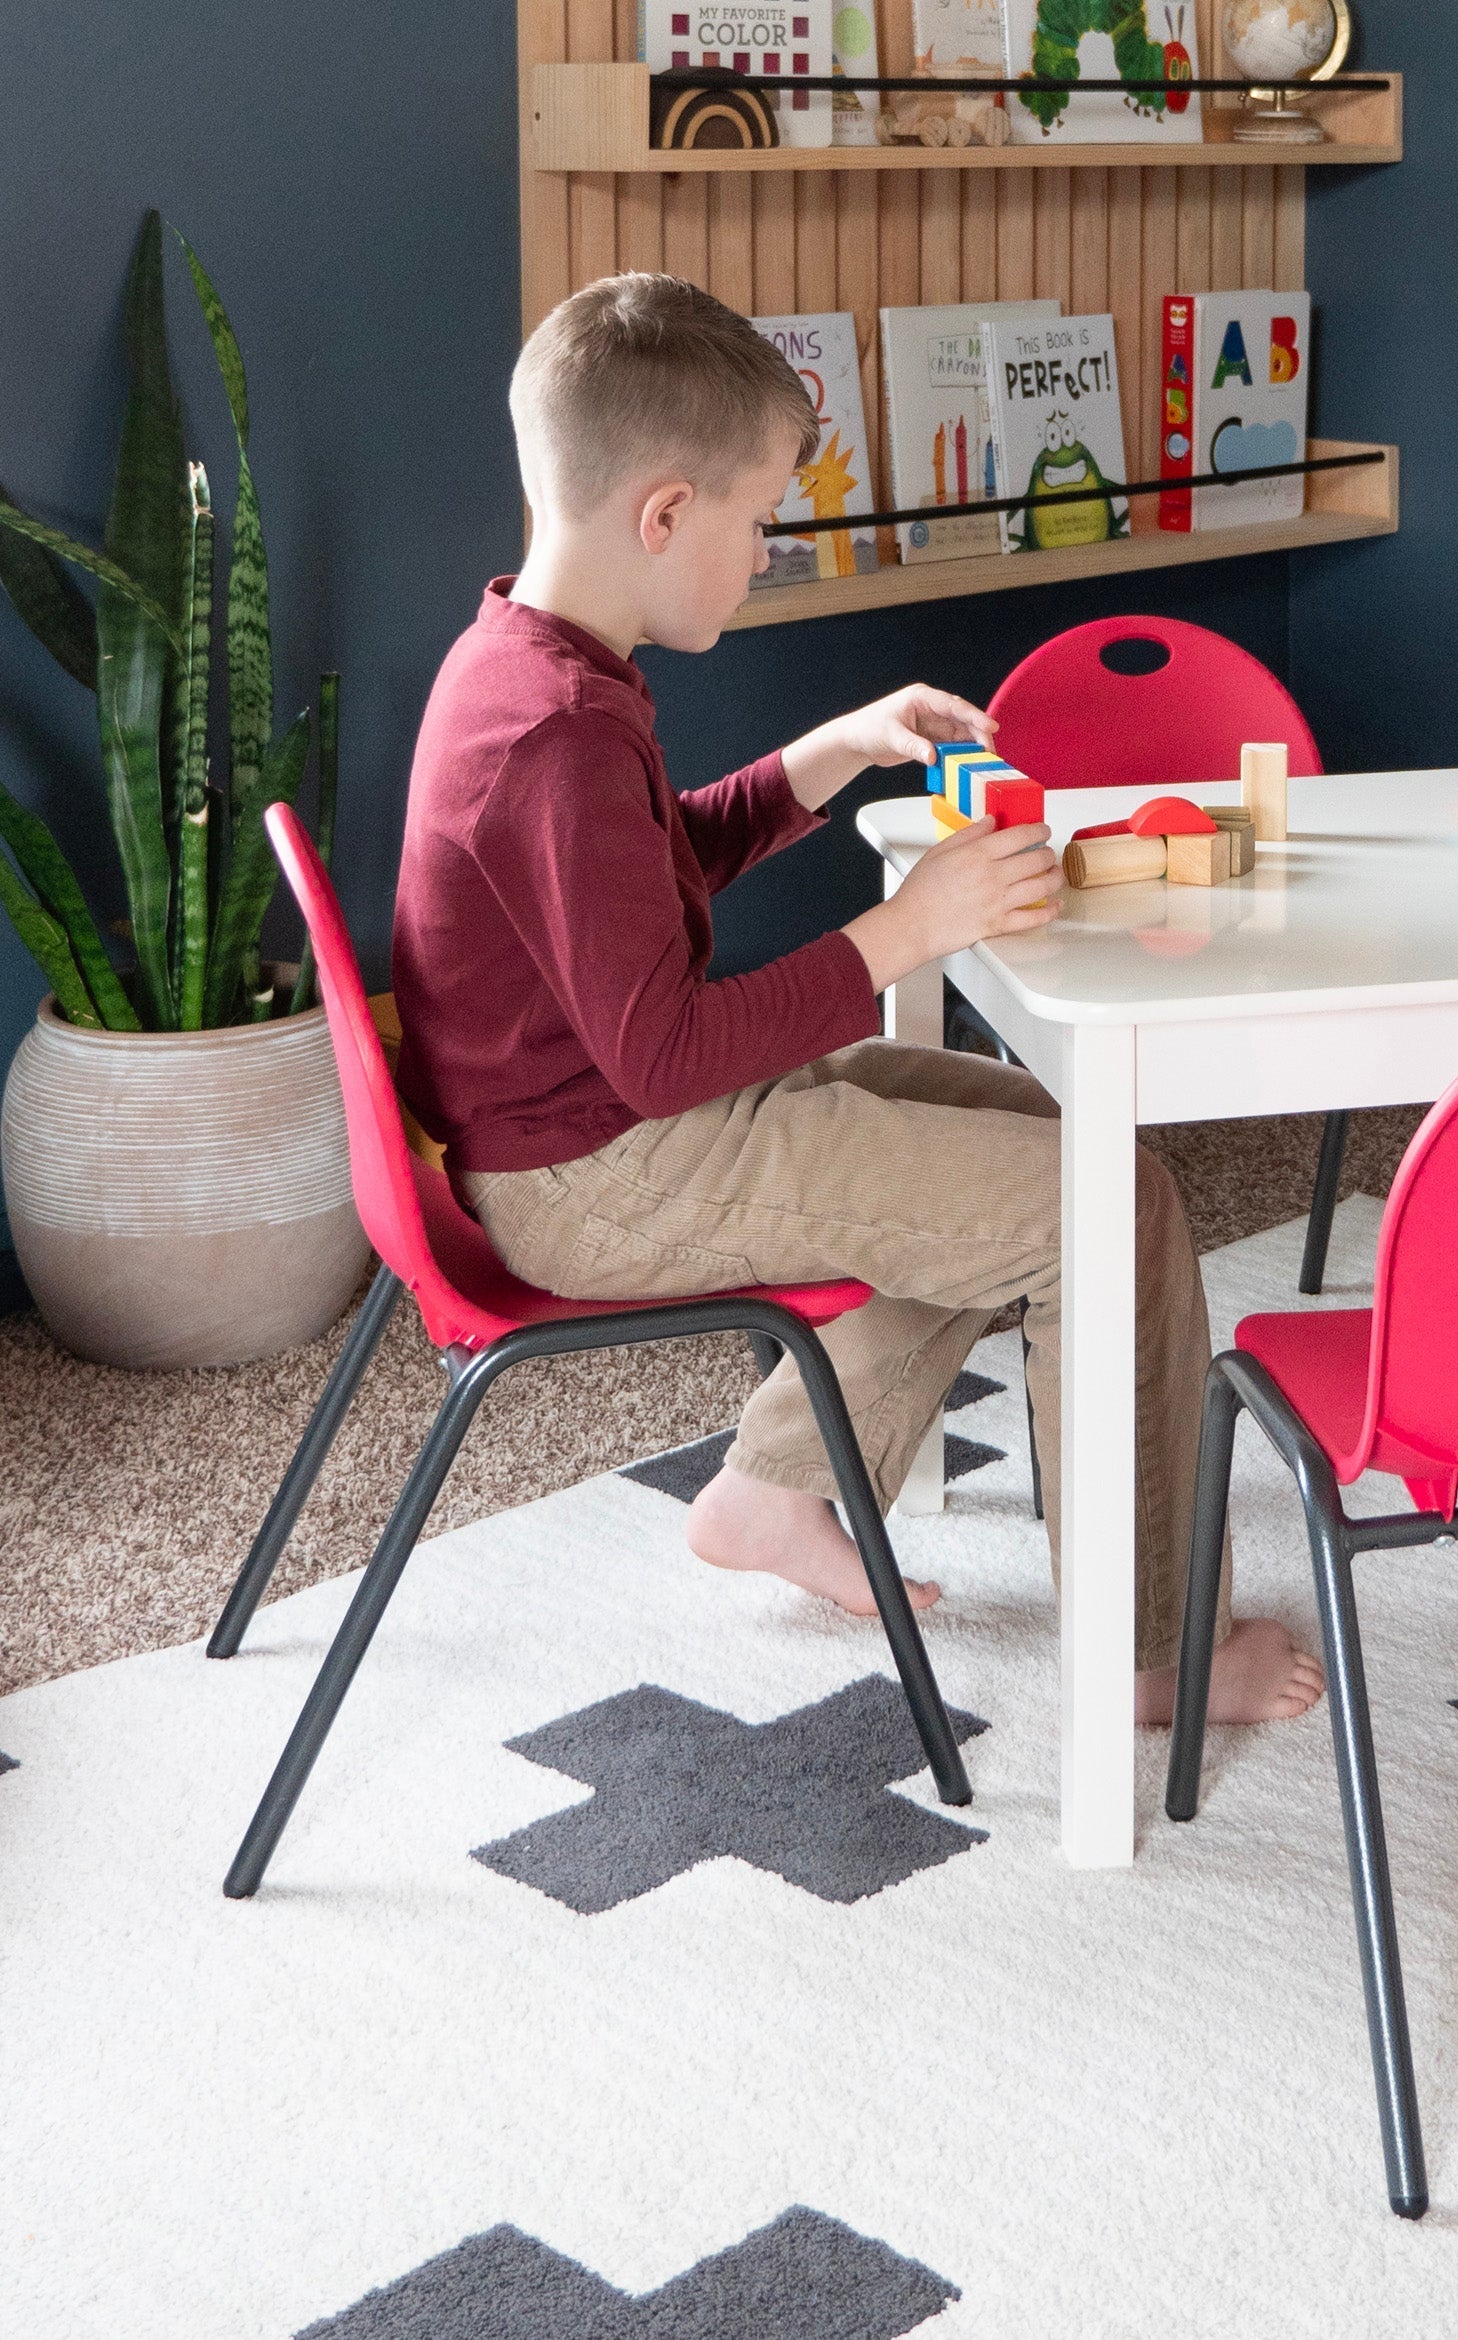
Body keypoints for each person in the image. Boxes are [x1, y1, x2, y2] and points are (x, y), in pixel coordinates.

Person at [391, 271, 1321, 1727]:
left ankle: (778, 1490)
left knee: (1048, 1139)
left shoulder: (532, 666)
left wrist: (828, 752)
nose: (766, 554)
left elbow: (644, 880)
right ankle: (1143, 1657)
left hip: (603, 1131)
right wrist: (907, 929)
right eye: (761, 520)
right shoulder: (556, 730)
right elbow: (665, 1052)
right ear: (664, 514)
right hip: (604, 1168)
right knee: (1101, 1210)